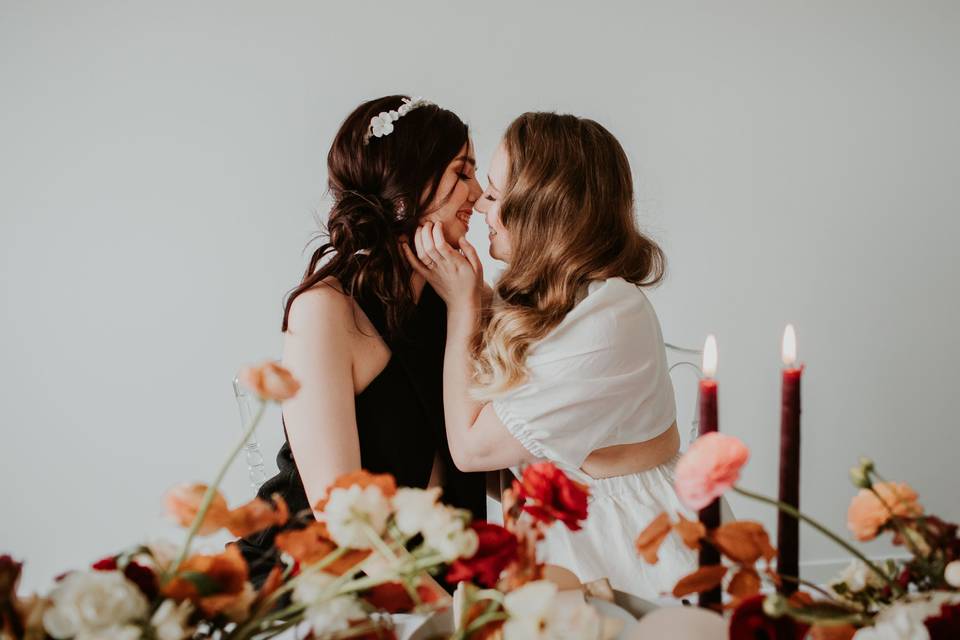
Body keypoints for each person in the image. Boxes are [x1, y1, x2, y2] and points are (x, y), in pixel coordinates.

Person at [403, 112, 697, 598]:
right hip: (565, 540)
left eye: (496, 195)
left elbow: (472, 449)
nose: (481, 208)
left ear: (543, 212)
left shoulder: (609, 319)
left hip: (631, 551)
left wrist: (462, 308)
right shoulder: (546, 301)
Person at [239, 95, 486, 585]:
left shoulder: (462, 296)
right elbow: (341, 523)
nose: (478, 191)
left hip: (438, 574)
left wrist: (467, 309)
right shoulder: (325, 311)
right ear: (409, 186)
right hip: (324, 571)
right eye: (462, 173)